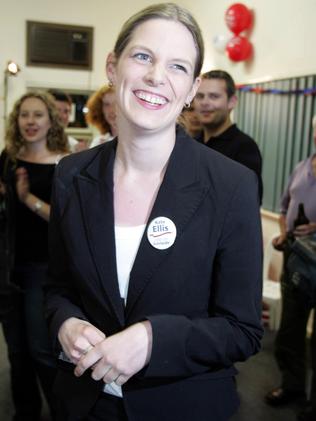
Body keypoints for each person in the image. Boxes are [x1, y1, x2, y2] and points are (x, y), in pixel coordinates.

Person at [45, 3, 263, 421]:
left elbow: (243, 330)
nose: (156, 77)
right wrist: (65, 323)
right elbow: (58, 288)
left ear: (191, 88)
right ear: (113, 66)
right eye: (143, 56)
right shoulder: (72, 175)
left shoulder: (231, 184)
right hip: (85, 401)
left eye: (178, 67)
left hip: (183, 404)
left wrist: (152, 340)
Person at [0, 91, 69, 421]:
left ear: (50, 120)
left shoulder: (64, 164)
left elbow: (66, 223)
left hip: (44, 271)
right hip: (9, 268)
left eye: (38, 115)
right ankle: (25, 413)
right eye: (24, 115)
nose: (30, 121)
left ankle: (62, 412)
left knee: (42, 350)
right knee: (17, 351)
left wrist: (27, 198)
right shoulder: (9, 159)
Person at [264, 116, 316, 421]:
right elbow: (285, 206)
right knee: (290, 332)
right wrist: (284, 231)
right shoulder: (302, 166)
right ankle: (292, 386)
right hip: (296, 259)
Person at [193, 69, 263, 203]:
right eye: (200, 96)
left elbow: (248, 202)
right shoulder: (192, 144)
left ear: (232, 102)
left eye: (214, 96)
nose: (205, 102)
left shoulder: (244, 148)